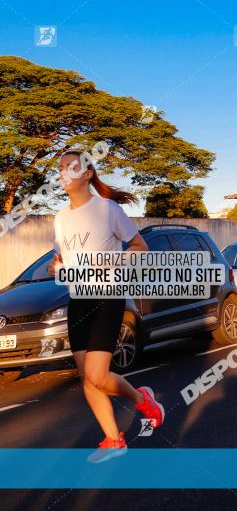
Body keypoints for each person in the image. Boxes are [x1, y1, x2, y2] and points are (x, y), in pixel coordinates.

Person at [49, 150, 164, 463]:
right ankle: (114, 440)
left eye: (71, 167)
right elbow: (63, 259)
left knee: (98, 376)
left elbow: (141, 247)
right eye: (60, 169)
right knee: (88, 378)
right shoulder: (60, 218)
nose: (63, 173)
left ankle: (143, 400)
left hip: (107, 298)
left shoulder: (107, 209)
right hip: (78, 300)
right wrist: (56, 266)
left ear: (87, 174)